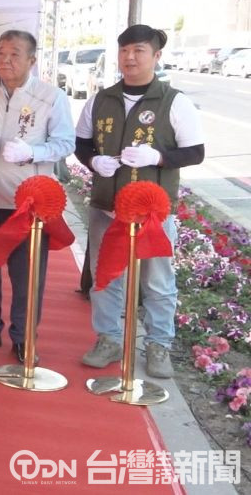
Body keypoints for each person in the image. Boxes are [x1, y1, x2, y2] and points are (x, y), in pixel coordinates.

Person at [77, 25, 204, 379]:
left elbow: (195, 152)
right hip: (107, 206)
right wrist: (93, 161)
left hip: (152, 212)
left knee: (157, 281)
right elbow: (82, 143)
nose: (130, 58)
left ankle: (159, 344)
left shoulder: (173, 101)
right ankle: (108, 338)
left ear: (156, 56)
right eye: (124, 51)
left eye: (139, 51)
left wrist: (158, 157)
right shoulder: (101, 99)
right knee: (105, 277)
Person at [0, 30, 74, 364]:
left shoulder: (51, 97)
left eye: (15, 54)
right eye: (1, 53)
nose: (5, 60)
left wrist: (32, 152)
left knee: (26, 275)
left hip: (27, 205)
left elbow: (66, 143)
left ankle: (23, 338)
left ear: (32, 60)